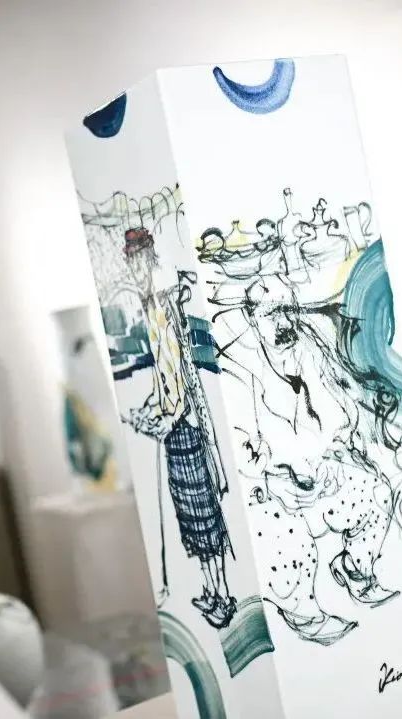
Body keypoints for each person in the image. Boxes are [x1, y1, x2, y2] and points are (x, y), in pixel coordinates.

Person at [122, 226, 237, 630]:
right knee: (189, 516)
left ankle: (223, 595)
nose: (135, 268)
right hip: (175, 429)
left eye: (138, 260)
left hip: (186, 429)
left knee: (203, 516)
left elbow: (181, 378)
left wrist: (165, 418)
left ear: (148, 258)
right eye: (131, 261)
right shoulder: (150, 305)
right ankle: (211, 590)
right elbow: (162, 379)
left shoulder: (163, 304)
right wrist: (148, 411)